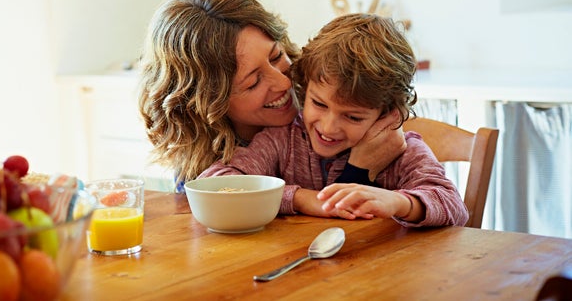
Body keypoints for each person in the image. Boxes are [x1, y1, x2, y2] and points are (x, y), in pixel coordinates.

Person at [200, 13, 469, 227]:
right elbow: (217, 182)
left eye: (352, 116)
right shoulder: (282, 140)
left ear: (387, 115)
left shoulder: (403, 151)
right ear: (304, 89)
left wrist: (401, 203)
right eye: (318, 104)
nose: (328, 127)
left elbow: (454, 207)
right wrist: (301, 198)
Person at [138, 0, 406, 192]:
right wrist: (356, 172)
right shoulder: (206, 174)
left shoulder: (327, 112)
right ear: (207, 102)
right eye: (253, 82)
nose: (284, 83)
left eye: (277, 56)